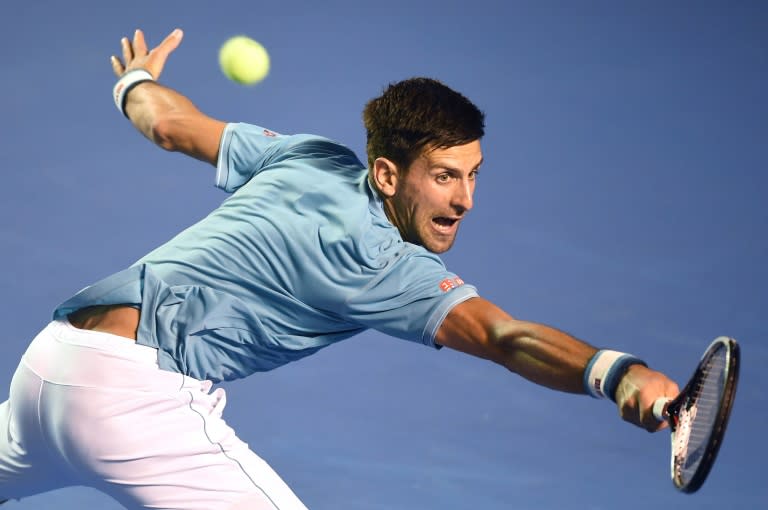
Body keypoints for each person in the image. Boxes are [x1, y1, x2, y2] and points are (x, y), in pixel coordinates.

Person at [0, 28, 679, 510]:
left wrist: (136, 80)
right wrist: (615, 373)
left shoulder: (308, 158)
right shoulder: (389, 266)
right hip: (129, 402)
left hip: (50, 364)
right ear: (388, 174)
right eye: (444, 177)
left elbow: (171, 126)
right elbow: (503, 336)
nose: (465, 200)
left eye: (472, 176)